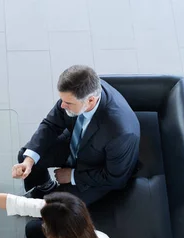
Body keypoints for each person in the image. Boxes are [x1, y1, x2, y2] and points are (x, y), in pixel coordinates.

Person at [12, 65, 140, 205]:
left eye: (68, 103)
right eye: (62, 100)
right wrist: (29, 161)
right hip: (76, 142)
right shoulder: (78, 93)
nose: (62, 106)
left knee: (55, 207)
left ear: (91, 100)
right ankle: (46, 187)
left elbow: (115, 178)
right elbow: (50, 124)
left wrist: (72, 176)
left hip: (96, 169)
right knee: (26, 155)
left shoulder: (121, 133)